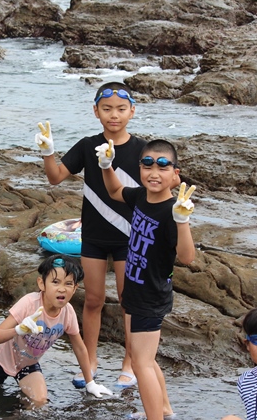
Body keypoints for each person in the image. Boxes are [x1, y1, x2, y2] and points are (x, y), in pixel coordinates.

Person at [34, 81, 145, 388]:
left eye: (121, 109)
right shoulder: (87, 145)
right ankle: (90, 362)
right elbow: (55, 177)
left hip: (129, 238)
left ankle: (130, 364)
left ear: (132, 111)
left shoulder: (141, 150)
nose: (114, 115)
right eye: (107, 109)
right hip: (93, 237)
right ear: (96, 111)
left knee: (128, 303)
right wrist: (48, 152)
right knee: (93, 300)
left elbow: (160, 183)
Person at [98, 139, 196, 420]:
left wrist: (182, 221)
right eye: (148, 165)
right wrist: (106, 165)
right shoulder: (141, 196)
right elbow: (115, 191)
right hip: (134, 290)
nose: (154, 172)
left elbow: (187, 257)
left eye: (163, 166)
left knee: (141, 364)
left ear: (175, 174)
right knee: (144, 358)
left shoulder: (172, 210)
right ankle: (163, 410)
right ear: (139, 168)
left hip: (151, 296)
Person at [0, 254, 113, 405]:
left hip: (27, 364)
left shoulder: (68, 313)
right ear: (42, 284)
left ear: (75, 288)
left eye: (68, 284)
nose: (62, 289)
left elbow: (80, 348)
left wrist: (90, 383)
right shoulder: (29, 303)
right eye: (55, 282)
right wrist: (18, 330)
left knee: (40, 402)